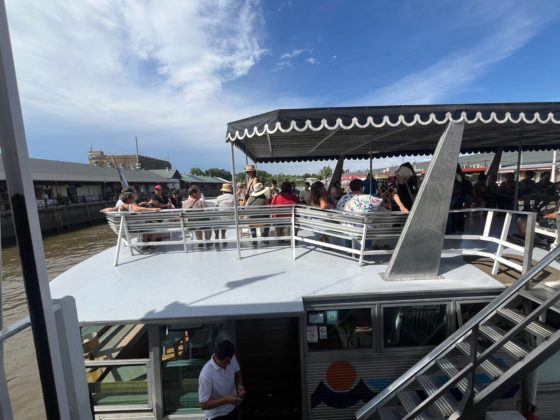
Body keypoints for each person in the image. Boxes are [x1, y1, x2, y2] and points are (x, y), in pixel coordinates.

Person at [199, 340, 246, 420]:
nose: (229, 363)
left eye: (230, 360)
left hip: (232, 409)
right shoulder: (206, 375)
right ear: (217, 357)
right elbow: (203, 405)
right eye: (225, 362)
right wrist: (226, 400)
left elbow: (237, 371)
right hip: (216, 415)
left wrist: (240, 385)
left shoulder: (231, 357)